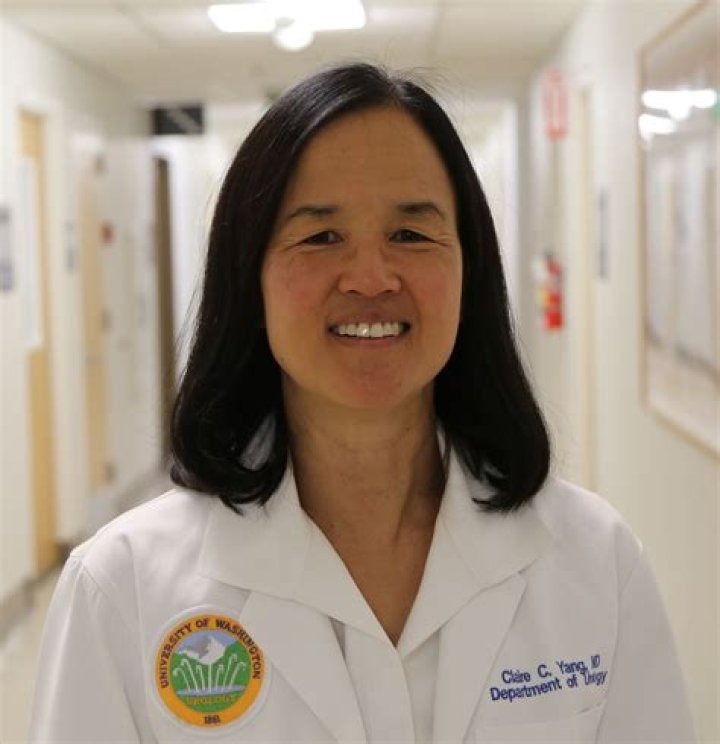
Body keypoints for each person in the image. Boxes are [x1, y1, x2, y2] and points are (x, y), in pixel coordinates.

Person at [29, 63, 695, 743]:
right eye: (321, 236)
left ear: (469, 270)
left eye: (411, 234)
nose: (372, 279)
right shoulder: (123, 589)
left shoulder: (594, 562)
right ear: (249, 278)